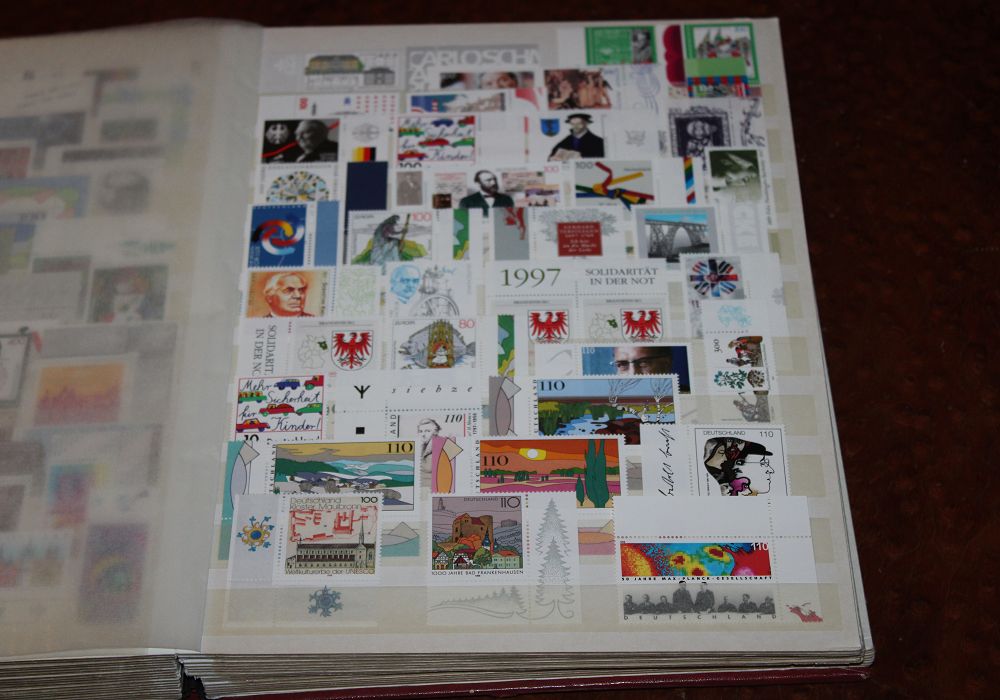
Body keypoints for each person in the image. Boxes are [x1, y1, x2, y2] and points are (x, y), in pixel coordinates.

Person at [271, 120, 339, 163]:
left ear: (320, 133)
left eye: (305, 133)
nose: (299, 138)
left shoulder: (335, 150)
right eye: (297, 134)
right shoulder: (294, 154)